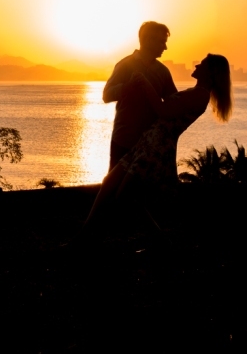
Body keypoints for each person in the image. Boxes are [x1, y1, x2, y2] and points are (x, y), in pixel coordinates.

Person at [82, 54, 233, 233]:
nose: (197, 64)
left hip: (156, 149)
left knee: (126, 196)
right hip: (147, 143)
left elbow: (164, 111)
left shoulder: (200, 95)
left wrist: (146, 83)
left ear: (211, 72)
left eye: (203, 64)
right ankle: (85, 234)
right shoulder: (194, 92)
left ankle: (157, 241)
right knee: (110, 185)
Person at [104, 22, 178, 170]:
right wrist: (127, 87)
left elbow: (174, 102)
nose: (165, 47)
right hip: (124, 140)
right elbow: (106, 95)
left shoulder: (163, 71)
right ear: (149, 40)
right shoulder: (124, 65)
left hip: (150, 143)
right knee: (115, 186)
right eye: (162, 41)